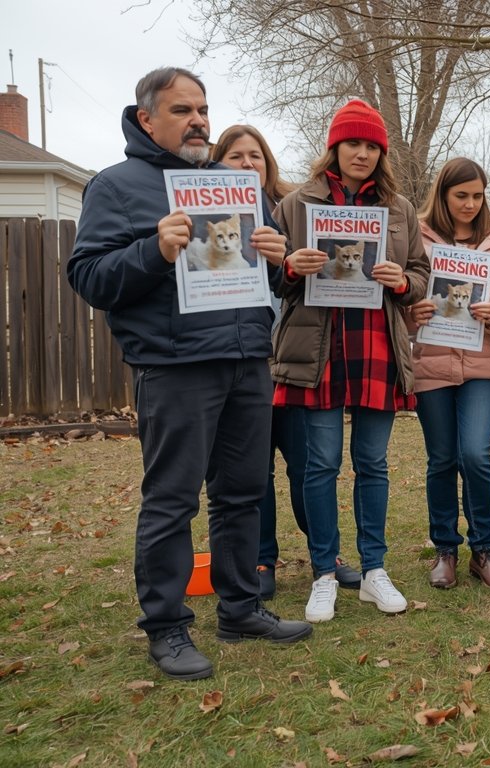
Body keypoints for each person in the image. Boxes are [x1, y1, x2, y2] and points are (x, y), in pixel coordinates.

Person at [66, 68, 313, 682]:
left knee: (242, 494)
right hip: (174, 367)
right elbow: (89, 278)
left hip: (247, 359)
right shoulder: (115, 187)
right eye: (183, 110)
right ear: (147, 119)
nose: (199, 120)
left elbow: (272, 280)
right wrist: (155, 249)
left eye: (203, 109)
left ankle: (240, 608)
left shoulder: (237, 187)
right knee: (173, 501)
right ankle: (168, 628)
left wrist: (283, 263)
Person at [271, 99, 430, 621]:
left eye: (371, 146)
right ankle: (323, 573)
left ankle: (375, 571)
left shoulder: (400, 208)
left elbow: (421, 276)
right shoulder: (296, 204)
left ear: (380, 153)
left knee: (373, 464)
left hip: (376, 347)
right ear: (334, 148)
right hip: (319, 351)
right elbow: (271, 282)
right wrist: (292, 268)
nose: (361, 153)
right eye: (352, 143)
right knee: (320, 465)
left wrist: (404, 283)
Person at [211, 125, 361, 599]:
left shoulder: (293, 213)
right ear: (217, 164)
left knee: (309, 465)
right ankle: (261, 558)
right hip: (242, 363)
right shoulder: (205, 219)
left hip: (294, 362)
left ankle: (327, 553)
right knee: (255, 471)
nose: (247, 164)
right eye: (235, 156)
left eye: (255, 155)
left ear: (268, 164)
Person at [407, 158, 490, 590]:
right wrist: (411, 313)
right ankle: (445, 550)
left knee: (475, 454)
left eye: (477, 195)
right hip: (431, 364)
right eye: (461, 196)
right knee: (441, 459)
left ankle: (484, 550)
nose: (470, 204)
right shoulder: (417, 236)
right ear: (443, 194)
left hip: (483, 366)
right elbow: (402, 296)